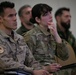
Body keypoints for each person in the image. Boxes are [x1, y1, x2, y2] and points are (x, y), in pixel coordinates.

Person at [0, 1, 52, 75]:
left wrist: (43, 72)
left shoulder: (19, 38)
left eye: (15, 15)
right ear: (1, 19)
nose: (15, 18)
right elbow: (5, 64)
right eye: (10, 16)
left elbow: (31, 61)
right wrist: (33, 71)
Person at [23, 3, 70, 75]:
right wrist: (45, 68)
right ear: (38, 19)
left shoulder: (52, 33)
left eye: (50, 13)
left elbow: (64, 56)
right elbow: (25, 62)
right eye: (46, 14)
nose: (50, 16)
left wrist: (56, 34)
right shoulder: (30, 36)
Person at [55, 7, 76, 75]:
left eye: (70, 16)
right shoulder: (52, 34)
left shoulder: (69, 35)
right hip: (59, 70)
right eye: (66, 16)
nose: (69, 19)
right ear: (58, 18)